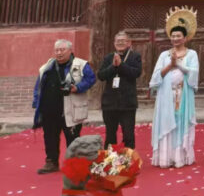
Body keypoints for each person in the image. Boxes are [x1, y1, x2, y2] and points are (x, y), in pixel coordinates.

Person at [33, 39, 96, 174]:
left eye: (62, 50)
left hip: (71, 108)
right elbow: (38, 86)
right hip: (49, 109)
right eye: (57, 50)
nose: (59, 53)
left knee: (72, 138)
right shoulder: (47, 66)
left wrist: (78, 87)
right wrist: (36, 102)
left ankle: (73, 164)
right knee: (49, 136)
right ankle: (51, 162)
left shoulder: (80, 64)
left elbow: (91, 79)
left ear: (70, 50)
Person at [150, 8, 199, 168]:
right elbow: (156, 76)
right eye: (173, 36)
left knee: (180, 123)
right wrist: (170, 65)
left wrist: (179, 65)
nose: (175, 38)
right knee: (166, 123)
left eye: (179, 36)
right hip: (166, 96)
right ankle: (165, 158)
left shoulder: (191, 54)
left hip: (183, 95)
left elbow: (194, 74)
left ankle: (180, 157)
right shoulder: (164, 55)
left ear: (185, 38)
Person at [98, 31, 142, 149]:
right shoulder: (108, 58)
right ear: (114, 43)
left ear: (129, 43)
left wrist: (121, 65)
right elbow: (101, 75)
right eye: (118, 41)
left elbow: (136, 73)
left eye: (123, 41)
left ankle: (129, 161)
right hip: (110, 103)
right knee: (110, 135)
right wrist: (113, 66)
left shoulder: (135, 56)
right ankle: (110, 161)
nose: (120, 43)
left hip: (127, 103)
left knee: (128, 134)